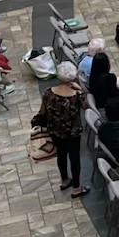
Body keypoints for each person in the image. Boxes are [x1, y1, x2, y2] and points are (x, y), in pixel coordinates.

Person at [33, 61, 87, 195]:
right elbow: (86, 106)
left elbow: (42, 112)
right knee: (74, 158)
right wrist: (80, 89)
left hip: (55, 131)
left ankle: (64, 180)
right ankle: (76, 187)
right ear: (73, 77)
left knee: (61, 155)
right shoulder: (76, 96)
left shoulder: (48, 93)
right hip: (73, 132)